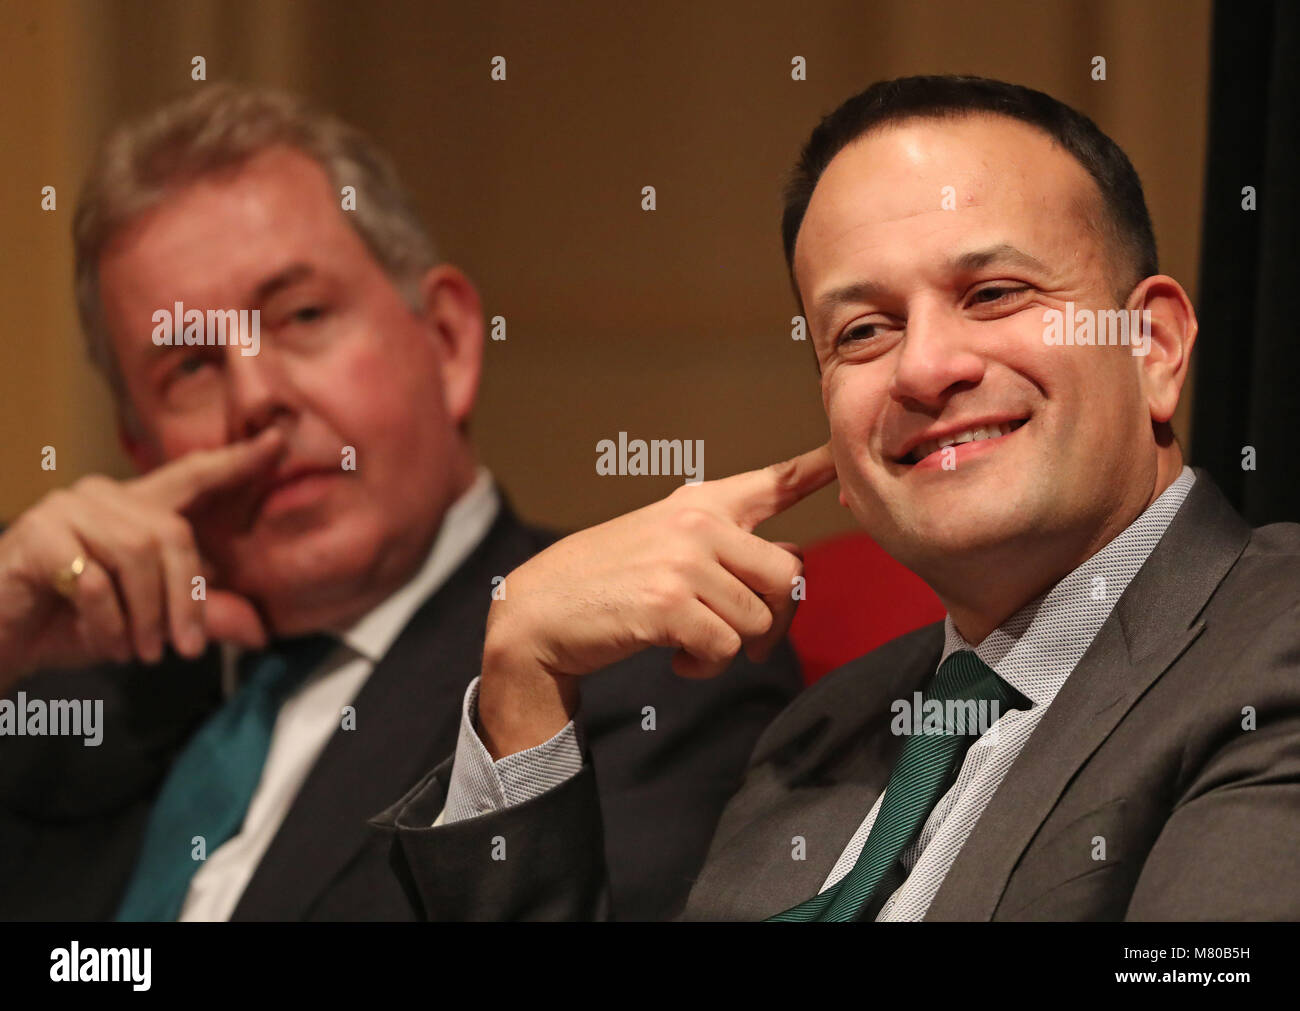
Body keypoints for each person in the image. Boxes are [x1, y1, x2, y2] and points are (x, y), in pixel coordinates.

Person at [377, 75, 1300, 921]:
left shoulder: (1275, 645)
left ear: (1154, 347)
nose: (926, 368)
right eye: (863, 330)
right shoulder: (820, 731)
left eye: (993, 292)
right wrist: (525, 689)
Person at [0, 84, 801, 922]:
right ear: (142, 449)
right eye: (189, 367)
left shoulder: (634, 667)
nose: (256, 396)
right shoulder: (65, 697)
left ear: (449, 341)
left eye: (302, 315)